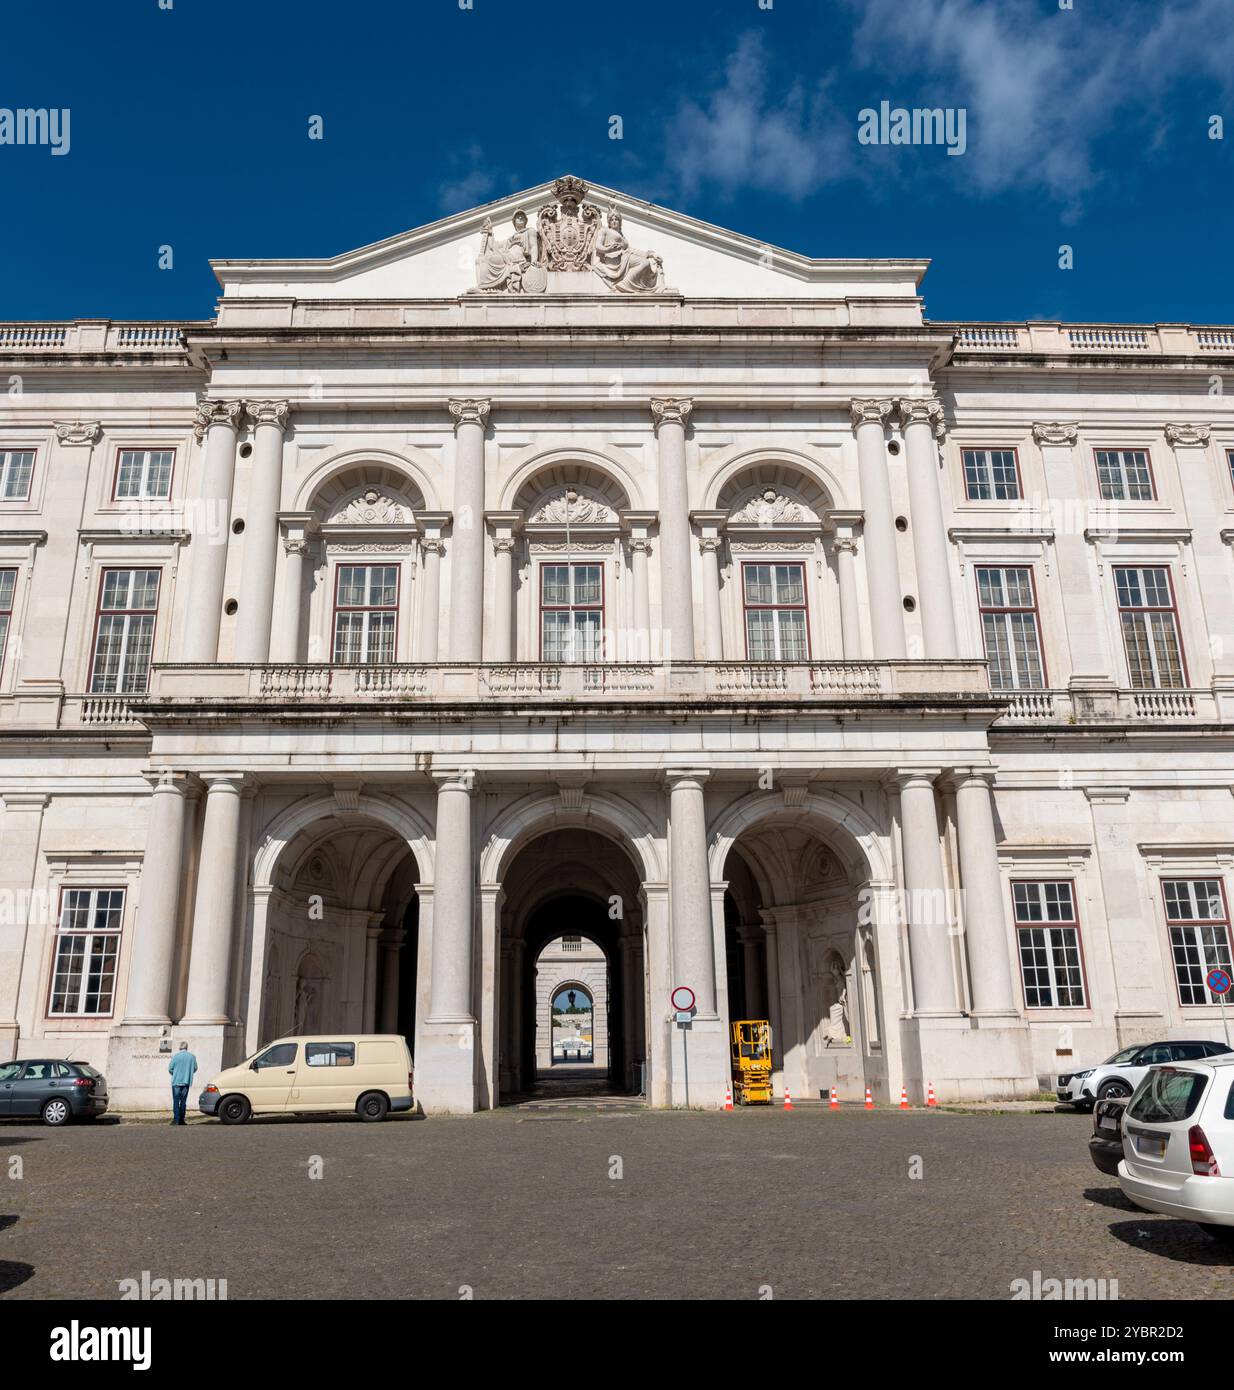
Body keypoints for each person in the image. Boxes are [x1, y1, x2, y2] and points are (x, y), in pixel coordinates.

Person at [167, 1042, 197, 1126]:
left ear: (179, 1047)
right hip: (186, 1081)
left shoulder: (176, 1056)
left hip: (176, 1082)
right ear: (187, 1047)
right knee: (183, 1102)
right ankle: (182, 1120)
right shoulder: (192, 1057)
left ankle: (176, 1120)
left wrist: (175, 1073)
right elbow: (195, 1068)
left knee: (176, 1101)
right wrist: (188, 1073)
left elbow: (170, 1069)